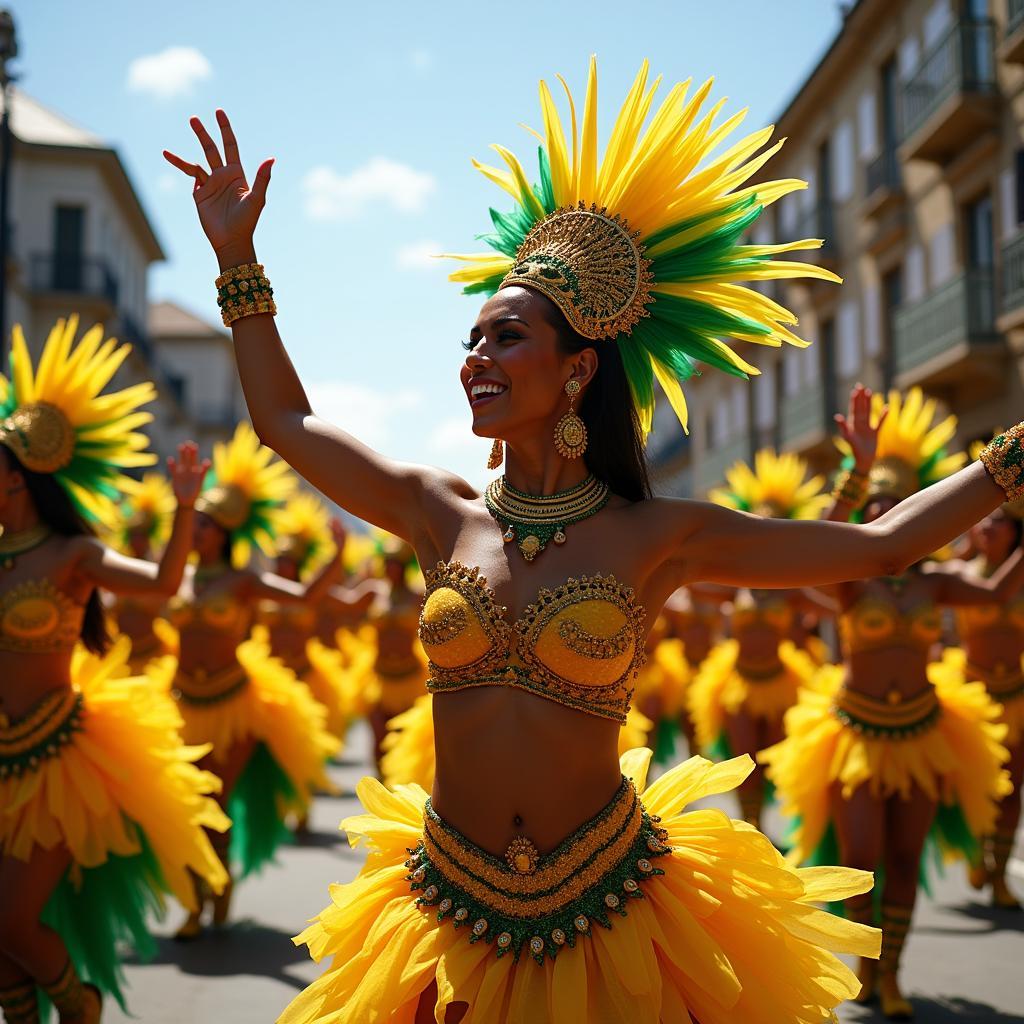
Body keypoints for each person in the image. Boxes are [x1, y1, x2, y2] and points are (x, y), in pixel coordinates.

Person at [164, 59, 1022, 1023]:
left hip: (611, 914)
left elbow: (883, 546)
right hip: (448, 909)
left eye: (504, 339)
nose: (474, 360)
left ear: (577, 372)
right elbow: (284, 421)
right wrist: (238, 261)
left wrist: (1013, 456)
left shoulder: (661, 536)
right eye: (472, 340)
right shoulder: (434, 510)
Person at [760, 386, 1018, 1019]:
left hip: (925, 729)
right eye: (878, 513)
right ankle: (867, 966)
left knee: (906, 857)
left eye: (900, 512)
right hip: (856, 736)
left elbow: (994, 595)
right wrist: (855, 475)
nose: (890, 523)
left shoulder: (940, 584)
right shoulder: (851, 590)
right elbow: (810, 550)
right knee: (864, 859)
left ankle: (893, 974)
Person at [0, 318, 228, 1023]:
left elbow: (162, 585)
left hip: (56, 764)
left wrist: (185, 506)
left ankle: (79, 1003)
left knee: (12, 922)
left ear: (16, 477)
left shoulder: (74, 555)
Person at [161, 423, 340, 940]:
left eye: (207, 525)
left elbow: (304, 598)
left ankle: (207, 893)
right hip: (178, 701)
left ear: (225, 533)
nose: (198, 533)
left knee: (215, 801)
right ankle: (200, 890)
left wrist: (332, 557)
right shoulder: (177, 575)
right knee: (187, 804)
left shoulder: (244, 581)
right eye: (196, 524)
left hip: (234, 703)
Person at [688, 448, 833, 826]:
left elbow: (834, 597)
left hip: (782, 680)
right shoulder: (733, 581)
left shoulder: (792, 586)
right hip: (738, 681)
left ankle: (767, 822)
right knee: (745, 759)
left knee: (773, 758)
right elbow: (694, 584)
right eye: (758, 526)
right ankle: (752, 828)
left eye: (774, 527)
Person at [106, 472, 178, 673]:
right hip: (117, 657)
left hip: (154, 655)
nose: (137, 541)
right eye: (133, 535)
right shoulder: (115, 570)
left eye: (142, 536)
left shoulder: (159, 573)